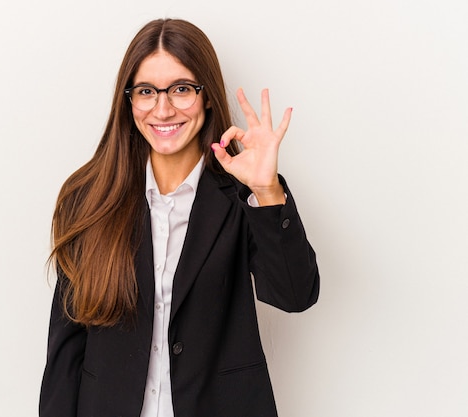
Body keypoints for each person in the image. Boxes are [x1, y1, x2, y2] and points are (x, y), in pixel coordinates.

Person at [39, 18, 320, 417]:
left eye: (181, 89)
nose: (163, 108)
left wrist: (267, 190)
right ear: (129, 100)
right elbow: (65, 353)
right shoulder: (90, 198)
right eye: (147, 91)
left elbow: (295, 295)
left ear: (206, 96)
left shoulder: (243, 196)